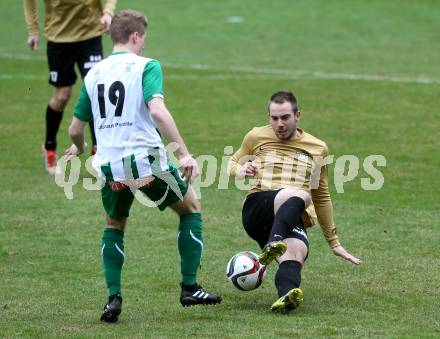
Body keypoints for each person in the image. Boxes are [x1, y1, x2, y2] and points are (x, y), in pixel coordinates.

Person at [64, 9, 222, 323]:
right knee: (190, 207)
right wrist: (185, 153)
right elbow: (158, 111)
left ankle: (113, 298)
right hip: (144, 161)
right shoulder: (147, 66)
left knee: (114, 224)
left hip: (109, 166)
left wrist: (78, 149)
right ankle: (190, 287)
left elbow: (75, 129)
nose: (145, 42)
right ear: (136, 36)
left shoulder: (94, 73)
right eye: (144, 37)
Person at [228, 91, 361, 313]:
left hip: (288, 214)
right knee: (301, 194)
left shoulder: (318, 147)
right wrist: (241, 169)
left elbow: (322, 195)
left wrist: (334, 242)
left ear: (297, 115)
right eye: (274, 118)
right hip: (258, 206)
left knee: (297, 253)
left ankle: (285, 297)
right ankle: (274, 241)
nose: (279, 124)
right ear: (268, 117)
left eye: (285, 117)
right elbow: (232, 162)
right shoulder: (256, 136)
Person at [23, 0, 118, 174]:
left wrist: (108, 12)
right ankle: (49, 148)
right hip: (59, 38)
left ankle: (99, 151)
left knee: (96, 91)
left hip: (90, 35)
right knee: (61, 97)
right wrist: (32, 30)